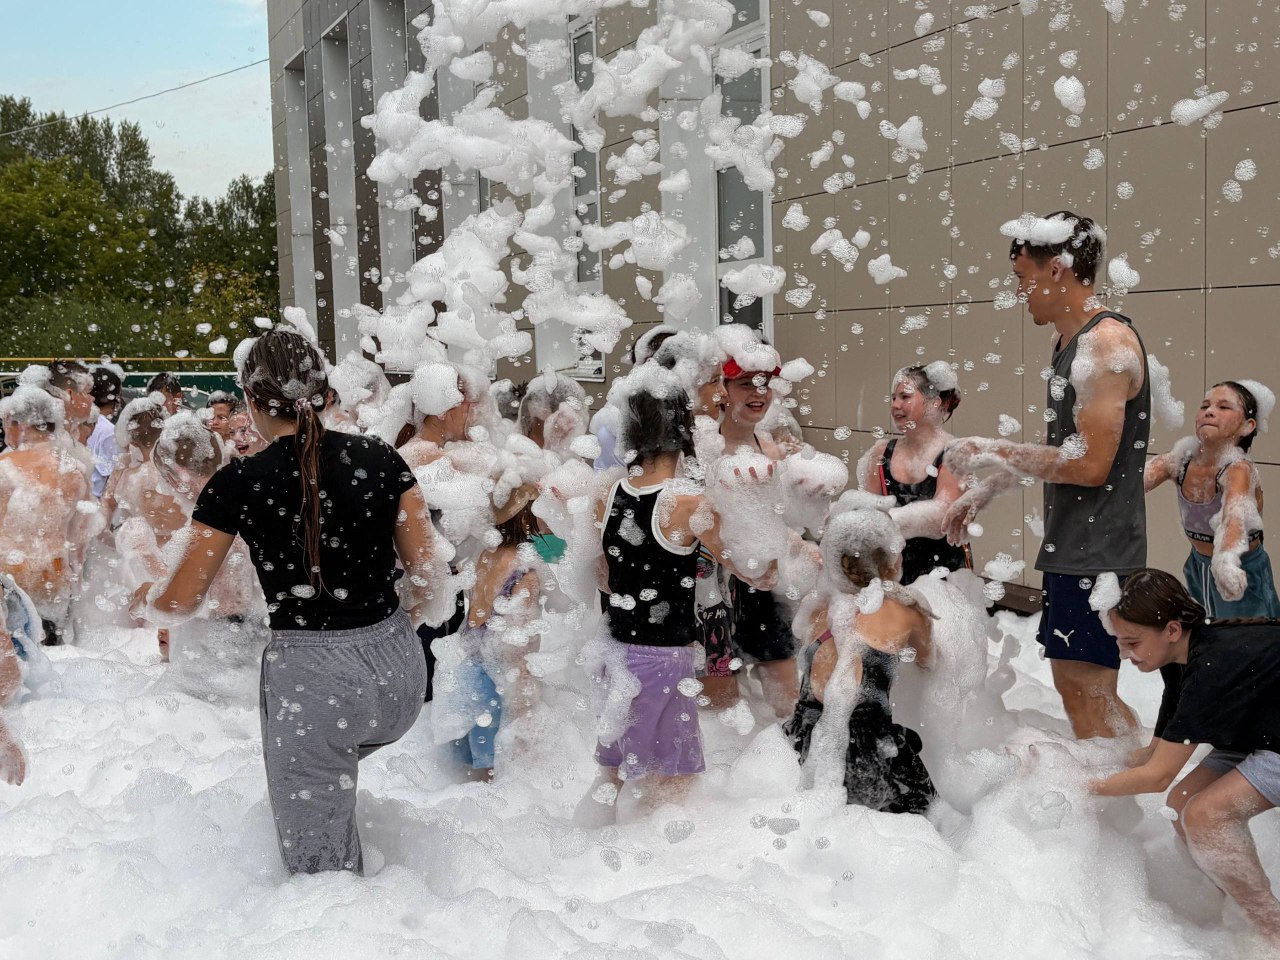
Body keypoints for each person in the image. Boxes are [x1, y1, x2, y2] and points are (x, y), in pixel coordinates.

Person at [132, 327, 443, 874]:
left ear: (251, 399)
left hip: (313, 682)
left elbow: (179, 602)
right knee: (338, 756)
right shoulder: (381, 458)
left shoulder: (237, 482)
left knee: (320, 872)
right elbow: (428, 574)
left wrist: (145, 598)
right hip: (400, 679)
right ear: (322, 391)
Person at [945, 210, 1148, 740]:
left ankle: (1134, 784)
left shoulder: (1106, 344)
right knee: (1075, 687)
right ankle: (1121, 782)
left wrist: (992, 448)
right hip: (1075, 544)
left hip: (1099, 550)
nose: (1019, 291)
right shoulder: (1068, 343)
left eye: (1022, 277)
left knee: (1090, 690)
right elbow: (1062, 449)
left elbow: (1091, 464)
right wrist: (990, 486)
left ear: (1056, 269)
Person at [576, 371, 775, 824]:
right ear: (684, 431)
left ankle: (593, 842)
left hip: (615, 654)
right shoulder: (688, 502)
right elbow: (757, 572)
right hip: (664, 662)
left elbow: (603, 579)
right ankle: (647, 854)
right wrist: (763, 506)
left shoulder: (606, 493)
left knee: (612, 775)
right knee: (671, 790)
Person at [1093, 569, 1280, 944]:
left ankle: (1270, 927)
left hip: (1272, 736)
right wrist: (1112, 759)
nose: (1124, 654)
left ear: (1172, 630)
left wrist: (1075, 785)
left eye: (1132, 642)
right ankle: (1240, 907)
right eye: (1119, 642)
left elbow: (1158, 777)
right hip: (1258, 731)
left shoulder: (1214, 665)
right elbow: (1161, 739)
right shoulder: (1181, 655)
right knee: (1181, 805)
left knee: (1207, 816)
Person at [785, 502, 936, 814]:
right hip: (864, 757)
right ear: (893, 562)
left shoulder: (818, 609)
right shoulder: (907, 612)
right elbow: (928, 662)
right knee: (924, 810)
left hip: (799, 744)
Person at [715, 332, 802, 717]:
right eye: (746, 383)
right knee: (723, 713)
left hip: (766, 589)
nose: (758, 392)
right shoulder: (704, 448)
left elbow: (789, 521)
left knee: (788, 706)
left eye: (765, 383)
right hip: (714, 592)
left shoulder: (770, 447)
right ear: (723, 389)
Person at [432, 484, 542, 779]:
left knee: (473, 767)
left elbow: (476, 616)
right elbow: (514, 643)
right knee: (494, 766)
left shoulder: (485, 554)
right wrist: (524, 697)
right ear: (526, 516)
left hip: (469, 661)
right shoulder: (522, 567)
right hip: (495, 673)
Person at [1144, 381, 1279, 618]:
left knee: (1248, 636)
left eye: (1223, 407)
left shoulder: (1238, 468)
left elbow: (1234, 516)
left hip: (1241, 567)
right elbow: (1130, 484)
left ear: (1247, 426)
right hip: (1199, 565)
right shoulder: (1180, 461)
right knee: (1207, 631)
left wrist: (1226, 560)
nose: (1209, 411)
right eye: (1205, 405)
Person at [858, 363, 971, 585]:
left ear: (934, 402)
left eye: (905, 397)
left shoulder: (954, 453)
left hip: (944, 579)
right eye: (893, 398)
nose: (895, 405)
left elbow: (943, 516)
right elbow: (867, 510)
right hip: (893, 572)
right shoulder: (881, 453)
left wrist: (887, 521)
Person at [0, 386, 94, 645]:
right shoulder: (74, 470)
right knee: (55, 659)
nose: (5, 431)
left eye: (6, 423)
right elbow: (80, 540)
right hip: (55, 581)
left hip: (12, 582)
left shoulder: (5, 468)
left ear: (21, 424)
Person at [87, 366, 123, 498]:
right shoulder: (108, 430)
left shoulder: (82, 422)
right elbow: (113, 479)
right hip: (97, 500)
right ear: (116, 397)